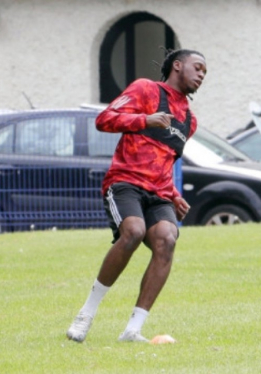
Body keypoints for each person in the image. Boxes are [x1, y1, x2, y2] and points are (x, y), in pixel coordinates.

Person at [66, 49, 207, 343]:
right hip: (125, 182)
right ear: (177, 65)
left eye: (205, 72)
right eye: (198, 67)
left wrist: (173, 193)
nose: (202, 75)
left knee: (167, 238)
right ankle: (86, 314)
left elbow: (163, 160)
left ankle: (133, 330)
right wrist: (145, 120)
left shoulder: (189, 121)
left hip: (158, 192)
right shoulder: (145, 90)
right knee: (133, 231)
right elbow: (104, 119)